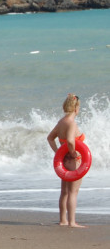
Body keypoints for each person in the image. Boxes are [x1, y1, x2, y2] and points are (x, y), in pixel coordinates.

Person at [47, 93, 87, 228]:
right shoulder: (72, 123)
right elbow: (70, 140)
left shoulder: (61, 122)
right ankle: (72, 222)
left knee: (64, 192)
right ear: (76, 108)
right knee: (73, 192)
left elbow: (50, 138)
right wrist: (73, 153)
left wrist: (57, 152)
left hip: (64, 161)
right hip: (73, 162)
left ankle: (63, 220)